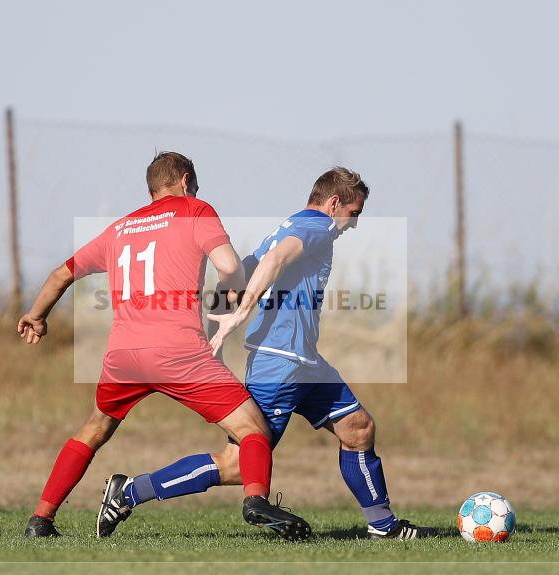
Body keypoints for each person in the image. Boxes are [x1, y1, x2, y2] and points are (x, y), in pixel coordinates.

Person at [98, 167, 438, 540]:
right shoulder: (318, 226)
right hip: (279, 363)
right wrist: (239, 315)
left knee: (358, 428)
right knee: (236, 465)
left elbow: (235, 278)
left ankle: (384, 526)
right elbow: (274, 261)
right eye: (353, 213)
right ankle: (129, 492)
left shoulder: (291, 225)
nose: (353, 224)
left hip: (306, 363)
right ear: (333, 203)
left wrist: (216, 332)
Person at [19, 151, 310, 541]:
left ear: (152, 190)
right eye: (196, 186)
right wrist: (235, 290)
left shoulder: (120, 229)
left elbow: (60, 275)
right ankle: (255, 500)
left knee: (95, 428)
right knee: (252, 428)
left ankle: (41, 519)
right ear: (186, 181)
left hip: (123, 356)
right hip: (179, 353)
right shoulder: (194, 210)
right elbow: (227, 266)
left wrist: (36, 316)